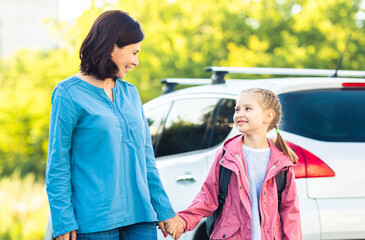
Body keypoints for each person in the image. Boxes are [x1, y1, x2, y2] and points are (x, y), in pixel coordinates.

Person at [46, 10, 182, 240]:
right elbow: (58, 163)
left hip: (141, 219)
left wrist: (164, 209)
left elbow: (146, 158)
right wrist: (63, 219)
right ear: (111, 47)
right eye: (133, 53)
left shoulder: (130, 93)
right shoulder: (68, 94)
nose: (136, 62)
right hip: (95, 223)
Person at [165, 88, 302, 240]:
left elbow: (290, 213)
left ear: (268, 116)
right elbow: (207, 197)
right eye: (237, 109)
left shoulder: (282, 163)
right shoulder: (226, 155)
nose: (240, 114)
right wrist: (183, 221)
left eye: (248, 108)